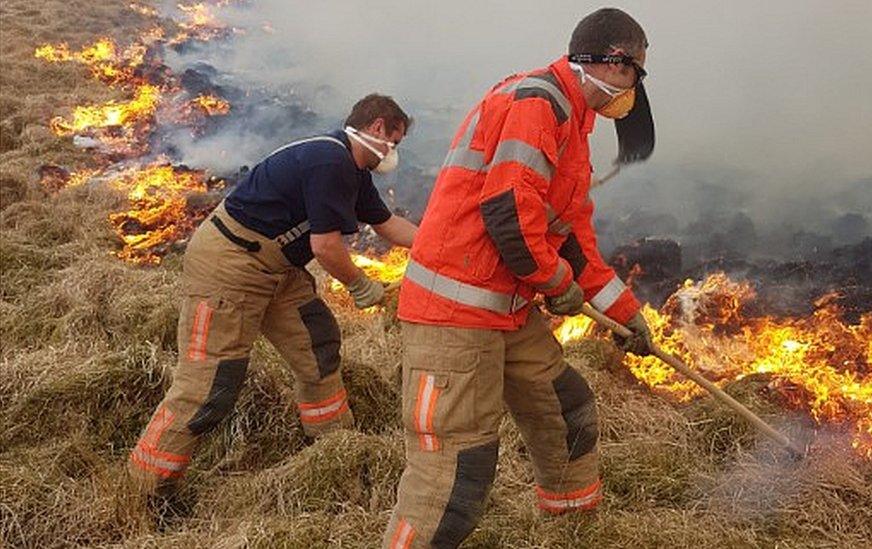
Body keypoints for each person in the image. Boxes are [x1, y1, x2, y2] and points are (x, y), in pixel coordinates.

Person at [384, 8, 655, 548]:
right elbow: (508, 212)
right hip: (456, 316)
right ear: (613, 64)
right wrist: (556, 284)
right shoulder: (537, 102)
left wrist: (627, 316)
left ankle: (571, 531)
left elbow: (575, 243)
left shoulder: (572, 126)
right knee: (457, 476)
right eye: (637, 73)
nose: (636, 90)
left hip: (504, 311)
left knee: (567, 410)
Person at [128, 94, 418, 494]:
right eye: (394, 142)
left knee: (318, 345)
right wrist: (359, 284)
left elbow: (388, 226)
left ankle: (333, 451)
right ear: (378, 127)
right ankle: (145, 488)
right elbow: (326, 247)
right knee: (210, 383)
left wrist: (437, 247)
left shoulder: (354, 174)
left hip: (277, 269)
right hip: (230, 263)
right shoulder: (329, 159)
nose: (392, 153)